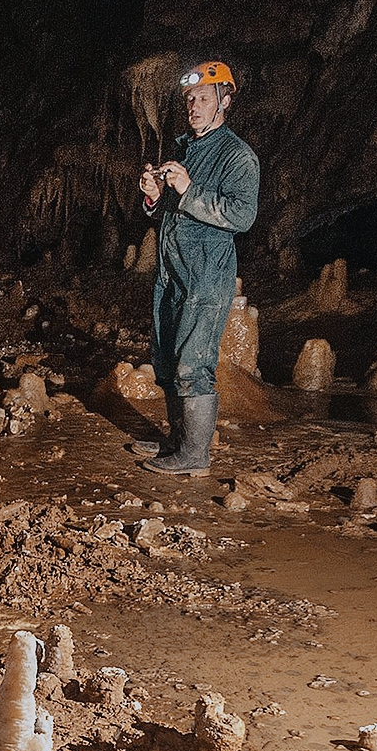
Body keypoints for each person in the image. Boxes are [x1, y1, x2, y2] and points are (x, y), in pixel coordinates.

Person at [133, 60, 259, 476]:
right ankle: (177, 440)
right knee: (167, 359)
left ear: (224, 101)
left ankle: (195, 456)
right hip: (172, 273)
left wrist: (188, 189)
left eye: (203, 98)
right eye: (189, 99)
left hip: (207, 276)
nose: (194, 106)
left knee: (193, 364)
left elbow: (241, 216)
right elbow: (172, 213)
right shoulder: (185, 147)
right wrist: (155, 197)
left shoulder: (238, 157)